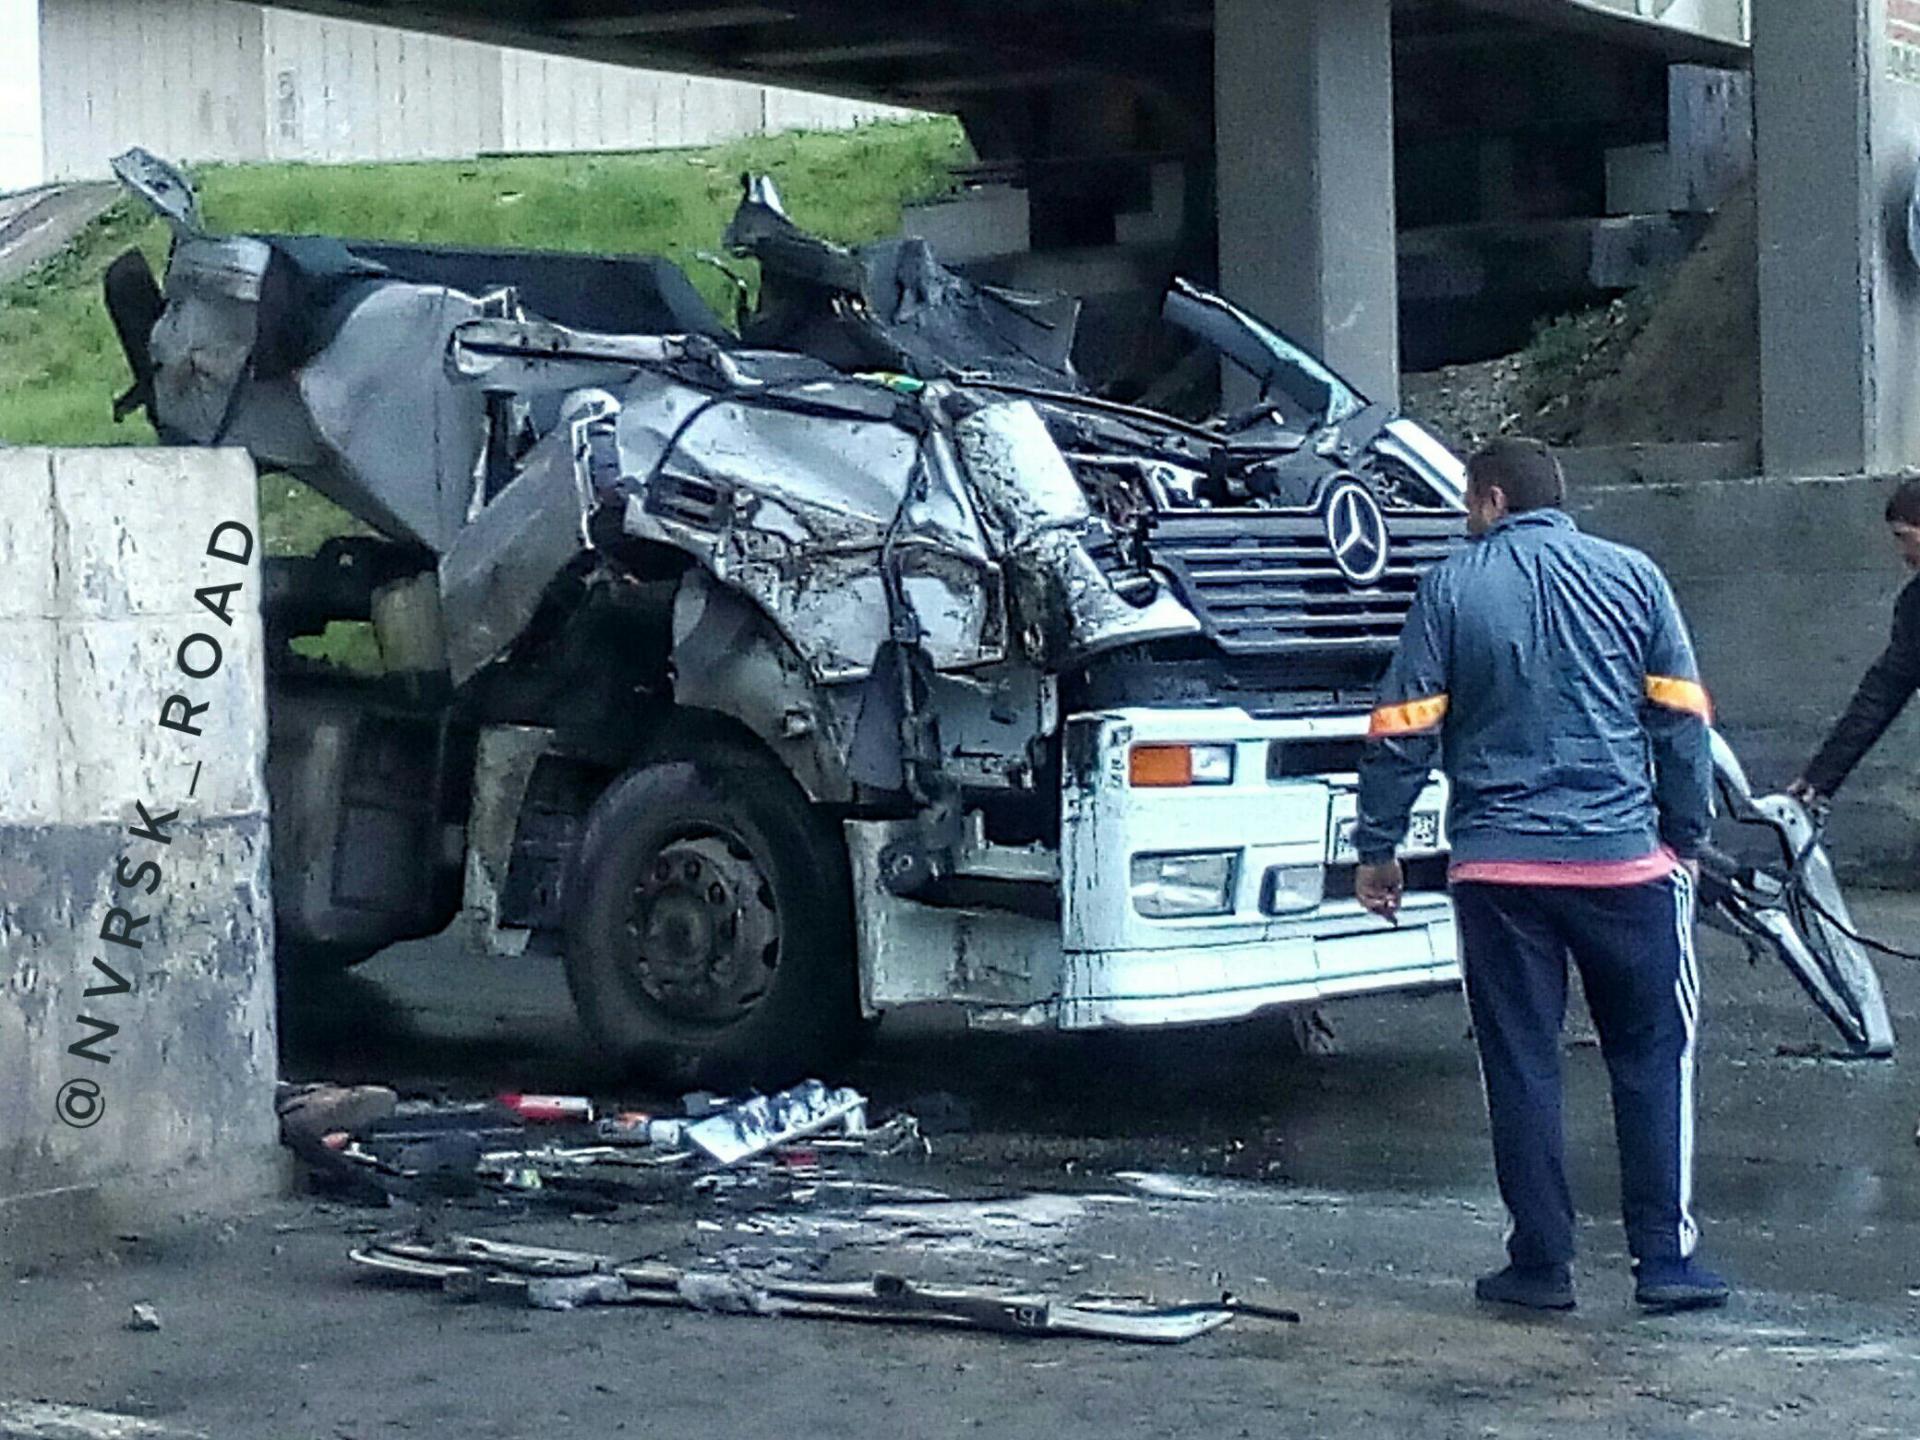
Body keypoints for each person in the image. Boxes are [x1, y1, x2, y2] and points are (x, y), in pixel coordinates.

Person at [1353, 437, 1729, 1314]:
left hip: (1499, 870)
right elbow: (1681, 717)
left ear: (1489, 500)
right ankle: (1665, 1263)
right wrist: (1686, 832)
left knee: (1520, 1061)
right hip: (1624, 865)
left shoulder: (1452, 585)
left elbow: (1403, 723)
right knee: (1652, 1055)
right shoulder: (1635, 576)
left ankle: (1542, 1265)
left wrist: (1378, 850)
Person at [1787, 480, 1920, 808]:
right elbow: (1882, 692)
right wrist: (1820, 778)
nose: (1903, 554)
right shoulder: (1916, 605)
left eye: (1905, 537)